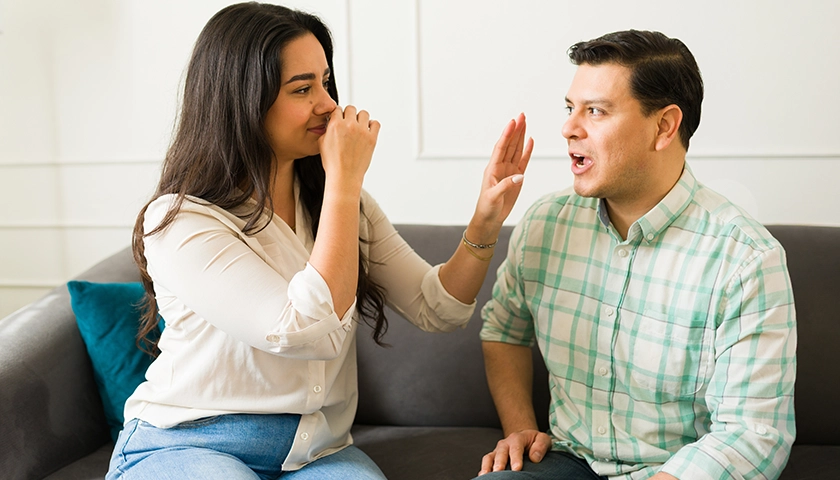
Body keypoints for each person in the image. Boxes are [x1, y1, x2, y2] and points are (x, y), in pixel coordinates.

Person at [106, 3, 533, 479]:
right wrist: (345, 181)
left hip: (314, 451)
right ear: (242, 101)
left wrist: (485, 221)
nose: (328, 104)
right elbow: (304, 330)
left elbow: (439, 308)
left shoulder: (341, 205)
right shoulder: (182, 220)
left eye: (325, 82)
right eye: (302, 88)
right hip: (190, 440)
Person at [477, 30, 796, 480]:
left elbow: (752, 434)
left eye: (596, 111)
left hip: (676, 470)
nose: (569, 128)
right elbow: (502, 330)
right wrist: (520, 429)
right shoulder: (544, 223)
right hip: (566, 459)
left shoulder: (745, 259)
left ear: (664, 126)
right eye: (570, 109)